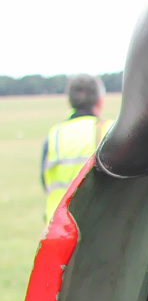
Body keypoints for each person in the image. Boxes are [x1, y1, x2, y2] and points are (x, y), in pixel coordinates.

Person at [41, 74, 110, 222]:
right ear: (99, 101)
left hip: (58, 227)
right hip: (95, 222)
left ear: (70, 101)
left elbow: (45, 181)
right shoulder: (109, 131)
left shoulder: (55, 135)